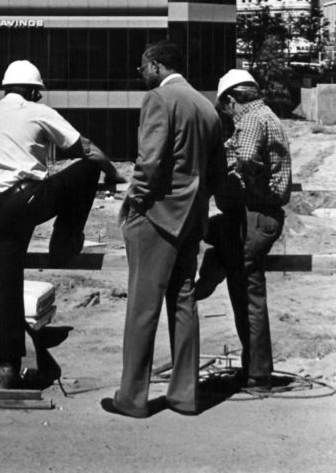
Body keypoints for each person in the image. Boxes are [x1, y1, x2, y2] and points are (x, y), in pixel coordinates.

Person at [0, 59, 119, 389]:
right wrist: (113, 173)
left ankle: (8, 368)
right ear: (33, 91)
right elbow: (87, 150)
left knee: (7, 285)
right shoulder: (36, 112)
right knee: (86, 170)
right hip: (23, 204)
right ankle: (65, 240)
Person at [110, 41, 226, 418]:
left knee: (143, 308)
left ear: (156, 66)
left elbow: (150, 161)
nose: (140, 75)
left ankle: (132, 398)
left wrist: (134, 201)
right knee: (183, 302)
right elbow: (217, 172)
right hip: (193, 217)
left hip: (158, 215)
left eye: (142, 68)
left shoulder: (159, 100)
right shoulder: (207, 107)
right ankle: (185, 396)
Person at [196, 69, 292, 394]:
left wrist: (230, 178)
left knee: (248, 295)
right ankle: (217, 264)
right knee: (219, 235)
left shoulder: (249, 118)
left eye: (225, 109)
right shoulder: (266, 114)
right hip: (260, 216)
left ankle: (258, 375)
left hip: (257, 214)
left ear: (232, 101)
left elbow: (247, 156)